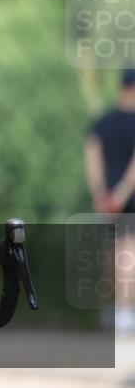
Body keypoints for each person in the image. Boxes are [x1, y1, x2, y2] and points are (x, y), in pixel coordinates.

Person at [84, 69, 135, 333]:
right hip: (128, 196)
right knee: (128, 253)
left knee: (110, 254)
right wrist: (122, 194)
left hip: (106, 195)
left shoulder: (103, 122)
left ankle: (110, 310)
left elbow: (92, 157)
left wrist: (100, 193)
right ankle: (124, 313)